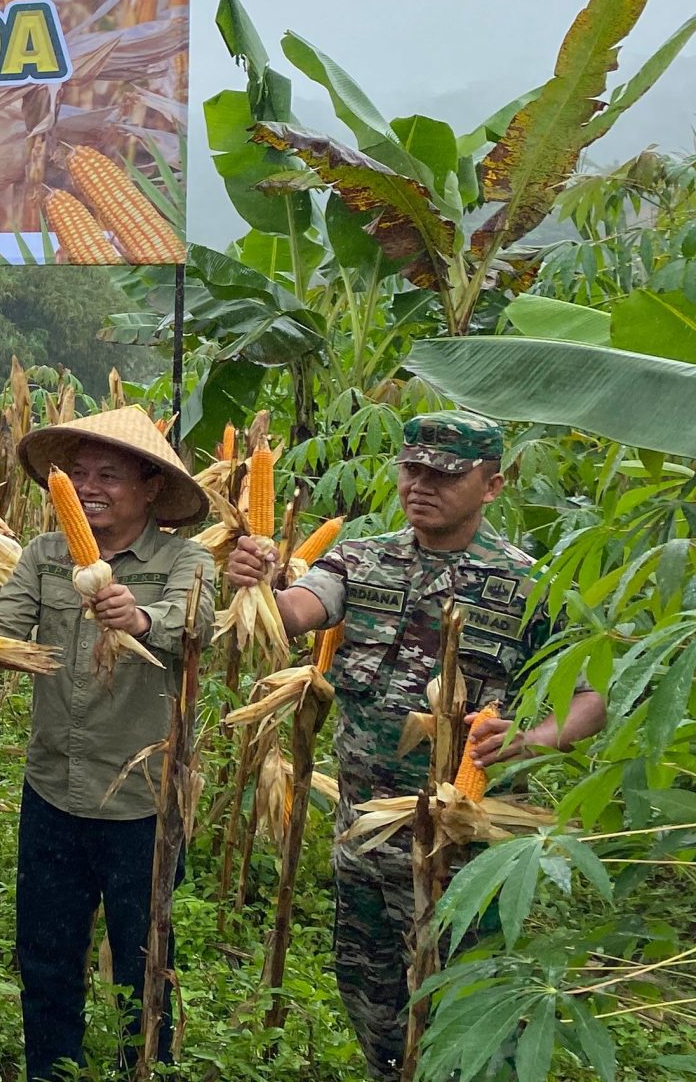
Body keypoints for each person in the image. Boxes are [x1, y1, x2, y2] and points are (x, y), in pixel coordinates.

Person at [224, 410, 606, 1080]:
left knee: (461, 1015)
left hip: (464, 854)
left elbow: (594, 696)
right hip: (366, 840)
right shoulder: (362, 560)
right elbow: (298, 611)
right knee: (370, 1002)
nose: (421, 485)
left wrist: (526, 740)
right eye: (412, 470)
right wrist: (259, 580)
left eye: (445, 475)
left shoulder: (528, 585)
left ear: (491, 486)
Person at [0, 405, 213, 1081]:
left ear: (150, 488)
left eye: (108, 473)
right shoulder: (46, 555)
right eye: (78, 474)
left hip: (142, 803)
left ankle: (145, 1069)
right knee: (46, 955)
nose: (88, 487)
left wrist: (140, 617)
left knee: (146, 963)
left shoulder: (183, 559)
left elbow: (198, 627)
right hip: (52, 788)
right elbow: (2, 630)